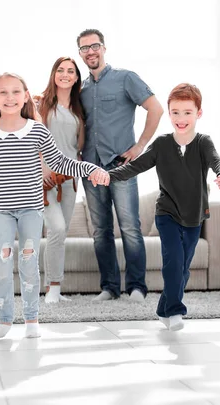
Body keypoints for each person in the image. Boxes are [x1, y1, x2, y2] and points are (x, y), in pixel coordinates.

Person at [0, 73, 109, 339]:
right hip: (1, 212)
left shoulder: (37, 131)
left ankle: (31, 320)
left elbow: (61, 162)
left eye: (16, 92)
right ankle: (4, 320)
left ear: (26, 96)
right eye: (3, 93)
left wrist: (89, 168)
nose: (10, 98)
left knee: (28, 263)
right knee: (1, 264)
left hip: (31, 210)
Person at [108, 83, 220, 331]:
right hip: (167, 214)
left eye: (187, 112)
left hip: (194, 216)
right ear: (169, 112)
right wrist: (108, 176)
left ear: (199, 113)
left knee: (183, 269)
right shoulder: (162, 144)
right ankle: (175, 311)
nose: (181, 118)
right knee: (173, 262)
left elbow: (217, 160)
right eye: (175, 112)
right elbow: (135, 166)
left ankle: (164, 309)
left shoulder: (203, 143)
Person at [77, 28, 164, 302]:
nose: (90, 52)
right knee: (101, 230)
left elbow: (156, 108)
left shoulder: (126, 78)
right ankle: (109, 288)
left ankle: (137, 287)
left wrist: (140, 146)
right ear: (80, 53)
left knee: (129, 226)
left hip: (120, 165)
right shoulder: (81, 89)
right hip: (90, 167)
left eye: (94, 46)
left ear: (104, 48)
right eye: (84, 48)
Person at [34, 57, 86, 304]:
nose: (65, 74)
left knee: (60, 232)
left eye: (71, 71)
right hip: (43, 181)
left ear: (76, 78)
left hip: (69, 181)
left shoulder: (79, 111)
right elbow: (31, 139)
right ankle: (52, 291)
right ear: (54, 74)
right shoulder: (39, 104)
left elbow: (78, 147)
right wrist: (42, 166)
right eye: (60, 70)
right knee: (55, 228)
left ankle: (53, 288)